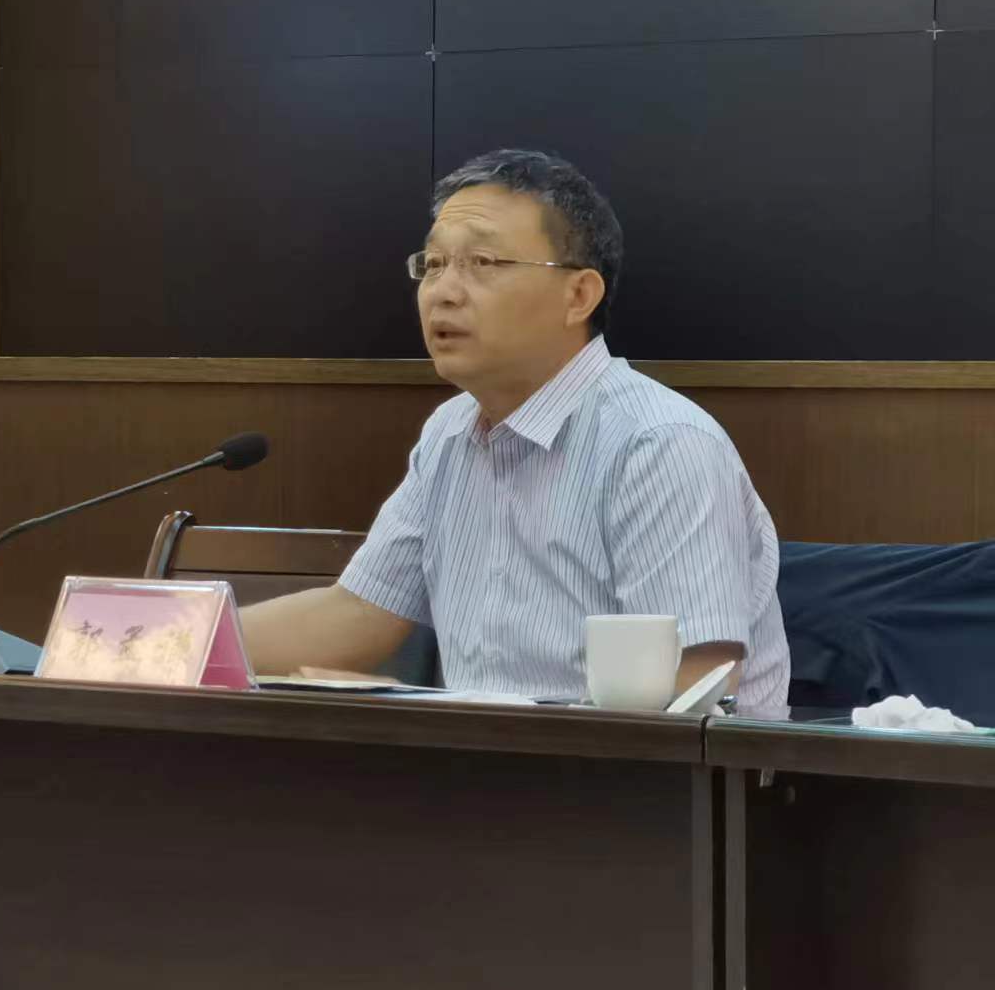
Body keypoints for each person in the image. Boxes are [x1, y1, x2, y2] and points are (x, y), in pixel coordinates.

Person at [240, 148, 790, 717]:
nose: (444, 291)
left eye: (482, 262)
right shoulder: (449, 433)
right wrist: (184, 636)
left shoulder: (659, 443)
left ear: (578, 296)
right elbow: (359, 615)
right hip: (482, 761)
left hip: (641, 770)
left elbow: (695, 686)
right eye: (433, 264)